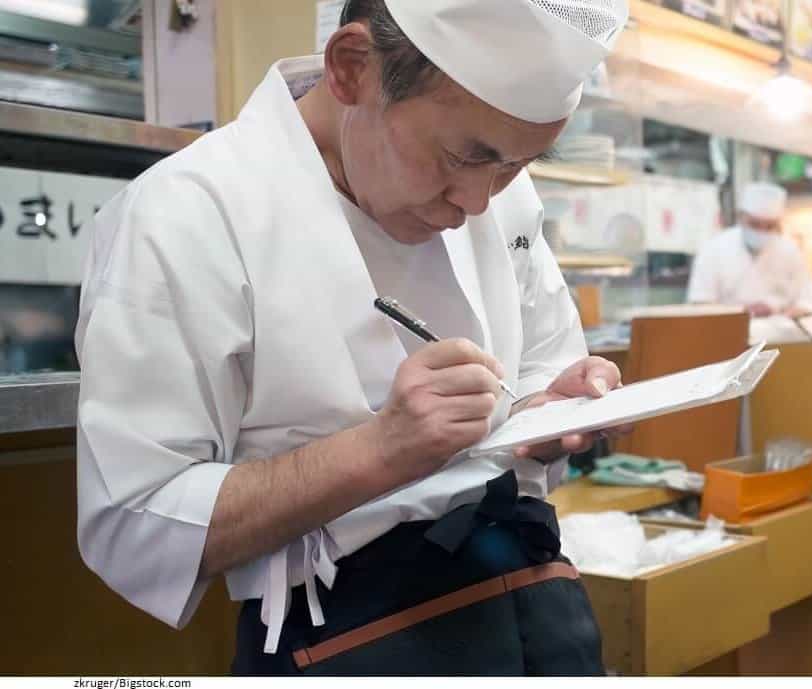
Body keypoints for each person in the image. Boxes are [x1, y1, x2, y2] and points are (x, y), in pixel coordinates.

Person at [75, 0, 632, 676]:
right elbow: (133, 521)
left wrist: (553, 416)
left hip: (533, 609)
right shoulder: (187, 215)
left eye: (517, 165)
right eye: (464, 157)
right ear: (351, 68)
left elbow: (544, 368)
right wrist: (380, 450)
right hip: (349, 641)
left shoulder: (497, 191)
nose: (480, 201)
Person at [686, 181, 812, 317]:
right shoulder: (713, 249)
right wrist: (740, 313)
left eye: (769, 226)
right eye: (755, 224)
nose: (761, 231)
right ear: (741, 217)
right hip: (728, 330)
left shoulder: (790, 251)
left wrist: (785, 316)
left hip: (779, 330)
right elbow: (700, 302)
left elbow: (808, 298)